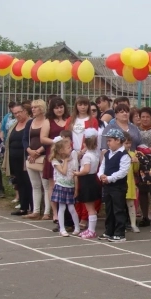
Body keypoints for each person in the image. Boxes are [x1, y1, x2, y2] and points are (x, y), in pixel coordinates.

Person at [65, 96, 98, 229]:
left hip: (86, 153)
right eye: (80, 105)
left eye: (85, 105)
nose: (82, 107)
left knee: (85, 187)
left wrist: (83, 151)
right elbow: (66, 137)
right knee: (74, 187)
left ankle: (85, 217)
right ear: (76, 106)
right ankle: (75, 216)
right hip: (73, 153)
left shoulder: (92, 120)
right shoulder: (71, 120)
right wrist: (73, 152)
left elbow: (93, 139)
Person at [97, 129, 131, 242]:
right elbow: (102, 166)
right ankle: (109, 231)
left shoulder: (124, 155)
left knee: (118, 209)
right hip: (108, 186)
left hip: (118, 187)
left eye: (110, 140)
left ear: (118, 140)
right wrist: (101, 175)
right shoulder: (108, 154)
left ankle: (120, 233)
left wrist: (109, 178)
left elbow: (123, 172)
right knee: (109, 209)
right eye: (107, 141)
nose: (108, 143)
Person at [40, 97, 69, 223]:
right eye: (56, 107)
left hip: (67, 155)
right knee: (53, 184)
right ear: (52, 109)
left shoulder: (69, 119)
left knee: (67, 182)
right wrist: (55, 142)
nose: (59, 110)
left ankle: (67, 211)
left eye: (61, 107)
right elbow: (43, 138)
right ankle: (55, 213)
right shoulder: (48, 121)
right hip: (53, 154)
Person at [3, 104, 32, 216]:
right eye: (15, 113)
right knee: (20, 182)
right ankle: (23, 207)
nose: (17, 115)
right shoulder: (14, 124)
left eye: (19, 112)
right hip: (14, 158)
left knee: (28, 182)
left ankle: (32, 207)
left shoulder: (30, 123)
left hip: (26, 158)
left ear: (24, 111)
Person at [22, 99, 49, 220]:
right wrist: (29, 150)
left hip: (43, 156)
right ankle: (36, 210)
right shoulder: (30, 122)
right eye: (32, 107)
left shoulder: (47, 121)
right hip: (31, 157)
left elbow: (49, 139)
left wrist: (39, 151)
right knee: (35, 185)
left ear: (42, 108)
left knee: (46, 185)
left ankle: (47, 212)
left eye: (35, 107)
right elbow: (24, 138)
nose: (33, 109)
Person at [73, 128, 101, 239]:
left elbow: (86, 170)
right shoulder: (95, 154)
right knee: (91, 207)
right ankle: (90, 229)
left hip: (87, 181)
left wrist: (77, 173)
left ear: (85, 143)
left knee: (90, 208)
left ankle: (91, 230)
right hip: (93, 180)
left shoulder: (87, 156)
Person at [49, 136, 80, 237]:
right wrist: (66, 161)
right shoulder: (55, 161)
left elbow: (75, 174)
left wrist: (76, 188)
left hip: (70, 186)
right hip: (61, 186)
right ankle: (62, 229)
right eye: (68, 148)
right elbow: (63, 171)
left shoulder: (73, 159)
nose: (70, 148)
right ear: (61, 150)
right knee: (62, 207)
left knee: (71, 208)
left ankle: (77, 227)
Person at [122, 131, 140, 233]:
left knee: (131, 204)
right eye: (125, 143)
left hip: (130, 183)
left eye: (129, 143)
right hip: (121, 183)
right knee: (120, 205)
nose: (128, 145)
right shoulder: (118, 154)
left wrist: (136, 162)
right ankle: (122, 224)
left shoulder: (133, 154)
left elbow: (135, 170)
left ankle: (133, 224)